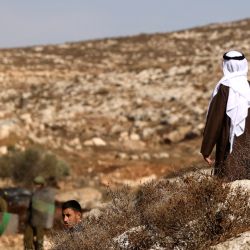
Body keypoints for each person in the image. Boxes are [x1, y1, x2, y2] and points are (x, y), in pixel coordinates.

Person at [201, 50, 250, 180]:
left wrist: (206, 149)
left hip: (228, 148)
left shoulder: (223, 88)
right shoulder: (249, 87)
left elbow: (214, 121)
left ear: (226, 65)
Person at [24, 176, 56, 250]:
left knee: (39, 241)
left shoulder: (46, 193)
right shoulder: (34, 193)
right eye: (35, 184)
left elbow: (49, 207)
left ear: (42, 184)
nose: (36, 185)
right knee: (27, 238)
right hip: (32, 219)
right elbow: (30, 206)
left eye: (37, 184)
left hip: (41, 220)